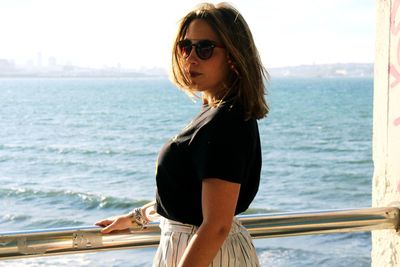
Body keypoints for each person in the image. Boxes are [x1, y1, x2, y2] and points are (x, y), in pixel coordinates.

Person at [95, 2, 269, 266]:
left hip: (205, 254)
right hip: (199, 249)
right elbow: (188, 198)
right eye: (185, 47)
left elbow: (216, 225)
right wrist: (138, 218)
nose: (191, 57)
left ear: (233, 56)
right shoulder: (217, 113)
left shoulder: (226, 122)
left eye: (205, 48)